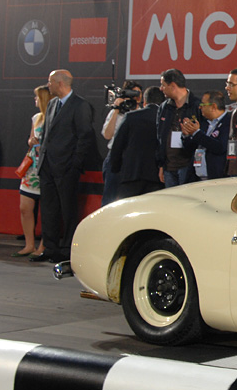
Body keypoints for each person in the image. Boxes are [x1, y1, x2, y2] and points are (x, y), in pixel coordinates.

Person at [33, 70, 97, 263]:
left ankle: (67, 248)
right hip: (48, 166)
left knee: (68, 210)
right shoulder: (52, 104)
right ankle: (50, 248)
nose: (48, 85)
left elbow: (85, 136)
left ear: (60, 83)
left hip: (67, 166)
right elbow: (47, 134)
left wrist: (75, 164)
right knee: (48, 208)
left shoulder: (80, 105)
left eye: (50, 81)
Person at [14, 85, 51, 257]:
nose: (34, 100)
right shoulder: (36, 118)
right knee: (25, 207)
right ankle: (29, 244)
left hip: (47, 167)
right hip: (31, 169)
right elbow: (30, 139)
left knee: (48, 209)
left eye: (37, 97)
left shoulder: (54, 118)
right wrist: (31, 141)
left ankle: (42, 246)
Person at [110, 87, 166, 200]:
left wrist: (115, 168)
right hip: (157, 178)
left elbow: (117, 146)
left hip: (131, 175)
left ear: (144, 102)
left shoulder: (131, 117)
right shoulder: (165, 119)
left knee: (127, 212)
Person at [156, 69, 204, 187]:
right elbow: (159, 136)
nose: (161, 89)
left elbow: (202, 136)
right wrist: (161, 164)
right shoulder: (164, 107)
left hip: (189, 166)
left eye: (163, 85)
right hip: (168, 167)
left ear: (173, 86)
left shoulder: (197, 105)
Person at [100, 80, 143, 206]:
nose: (137, 96)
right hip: (115, 158)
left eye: (139, 93)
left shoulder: (142, 112)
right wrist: (116, 110)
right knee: (110, 198)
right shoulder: (117, 112)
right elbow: (107, 135)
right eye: (134, 93)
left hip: (133, 160)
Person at [182, 90, 231, 181]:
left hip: (217, 178)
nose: (200, 107)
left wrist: (197, 133)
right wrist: (187, 135)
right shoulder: (203, 123)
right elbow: (190, 148)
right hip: (197, 178)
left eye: (203, 105)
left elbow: (220, 147)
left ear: (213, 107)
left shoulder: (228, 122)